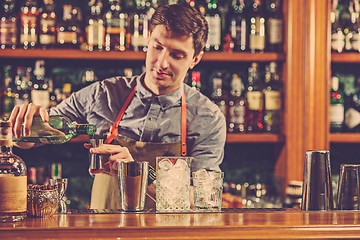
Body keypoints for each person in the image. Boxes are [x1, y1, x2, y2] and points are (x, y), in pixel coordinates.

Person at [10, 3, 226, 209]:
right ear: (147, 41)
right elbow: (30, 139)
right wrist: (25, 123)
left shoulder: (207, 118)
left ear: (195, 59)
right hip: (104, 231)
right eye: (157, 47)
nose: (161, 63)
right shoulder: (102, 94)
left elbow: (201, 200)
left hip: (166, 234)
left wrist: (136, 172)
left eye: (177, 55)